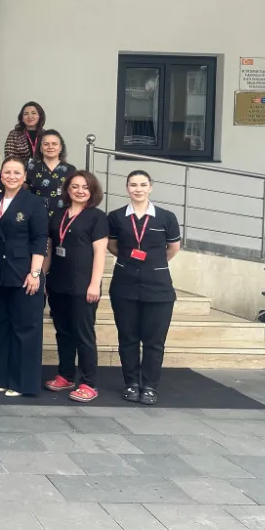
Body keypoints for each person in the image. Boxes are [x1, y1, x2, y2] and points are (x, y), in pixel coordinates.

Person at [108, 170, 182, 406]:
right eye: (133, 185)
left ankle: (149, 386)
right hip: (125, 285)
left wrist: (153, 264)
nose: (138, 189)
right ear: (127, 188)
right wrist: (130, 261)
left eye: (142, 185)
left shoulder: (166, 217)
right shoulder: (116, 217)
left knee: (154, 341)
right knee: (127, 338)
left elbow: (173, 248)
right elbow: (112, 245)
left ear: (150, 187)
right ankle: (131, 383)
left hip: (158, 288)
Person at [43, 170, 109, 403]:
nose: (80, 191)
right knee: (63, 332)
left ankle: (89, 383)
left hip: (83, 285)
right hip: (58, 283)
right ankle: (66, 375)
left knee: (83, 334)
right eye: (75, 186)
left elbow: (100, 253)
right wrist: (43, 277)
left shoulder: (97, 217)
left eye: (85, 187)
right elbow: (50, 248)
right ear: (67, 189)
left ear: (92, 191)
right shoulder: (58, 214)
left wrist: (95, 284)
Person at [0, 156, 48, 397]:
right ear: (0, 176)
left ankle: (22, 383)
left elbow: (40, 239)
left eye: (16, 173)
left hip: (25, 274)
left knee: (25, 330)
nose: (11, 176)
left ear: (24, 177)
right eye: (7, 172)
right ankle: (1, 377)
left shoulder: (34, 203)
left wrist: (35, 273)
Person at [27, 129, 76, 217]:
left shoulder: (70, 170)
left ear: (60, 148)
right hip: (35, 216)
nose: (50, 147)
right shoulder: (30, 167)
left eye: (54, 144)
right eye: (46, 144)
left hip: (62, 217)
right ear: (40, 148)